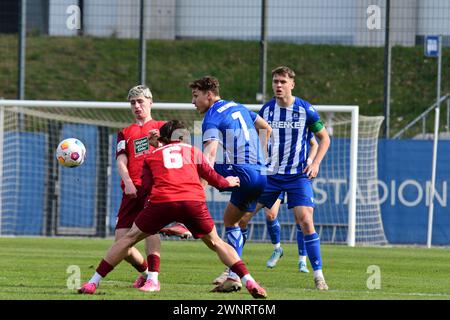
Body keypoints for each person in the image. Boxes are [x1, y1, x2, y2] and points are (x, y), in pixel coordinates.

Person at [78, 120, 267, 299]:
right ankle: (249, 281)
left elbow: (145, 189)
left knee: (127, 239)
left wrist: (152, 214)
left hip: (163, 202)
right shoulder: (193, 151)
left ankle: (93, 283)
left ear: (162, 138)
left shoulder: (152, 155)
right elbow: (214, 179)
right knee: (217, 242)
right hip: (193, 202)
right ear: (182, 137)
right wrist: (228, 182)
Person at [240, 66, 331, 290]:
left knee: (306, 221)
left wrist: (316, 162)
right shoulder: (267, 110)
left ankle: (318, 275)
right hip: (270, 176)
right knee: (241, 218)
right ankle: (232, 272)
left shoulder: (306, 110)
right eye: (275, 81)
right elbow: (260, 137)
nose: (278, 85)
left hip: (297, 176)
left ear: (292, 84)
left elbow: (323, 138)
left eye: (282, 81)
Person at [190, 76, 272, 293]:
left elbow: (210, 154)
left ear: (209, 95)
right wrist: (259, 157)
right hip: (260, 173)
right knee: (231, 221)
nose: (193, 101)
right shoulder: (239, 107)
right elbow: (266, 127)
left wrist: (200, 186)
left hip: (242, 173)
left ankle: (187, 206)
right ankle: (234, 275)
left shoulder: (211, 117)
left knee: (192, 163)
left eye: (195, 96)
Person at [113, 85, 192, 290]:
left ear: (151, 102)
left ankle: (153, 279)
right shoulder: (125, 132)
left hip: (154, 188)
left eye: (140, 101)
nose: (137, 106)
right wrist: (128, 182)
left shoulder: (164, 126)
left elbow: (181, 153)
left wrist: (158, 144)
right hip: (131, 192)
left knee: (150, 231)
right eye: (133, 103)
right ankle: (146, 273)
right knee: (121, 244)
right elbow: (121, 161)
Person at [239, 134, 318, 273]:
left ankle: (302, 261)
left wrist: (311, 161)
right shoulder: (270, 121)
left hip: (296, 176)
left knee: (301, 220)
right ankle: (277, 249)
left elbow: (316, 144)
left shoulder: (301, 122)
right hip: (274, 176)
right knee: (270, 215)